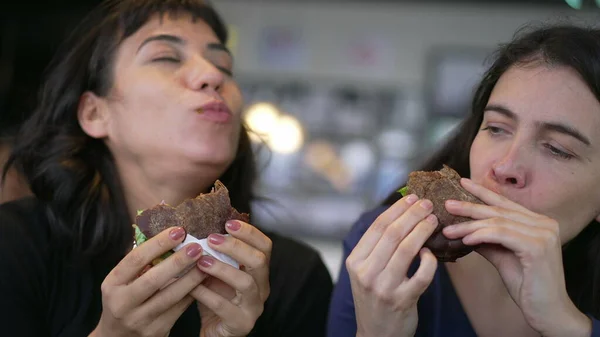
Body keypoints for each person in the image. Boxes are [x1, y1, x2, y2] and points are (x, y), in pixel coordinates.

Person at [0, 0, 333, 336]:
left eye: (224, 65)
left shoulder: (294, 276)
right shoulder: (16, 246)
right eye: (166, 57)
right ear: (94, 114)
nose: (213, 75)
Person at [327, 24, 600, 337]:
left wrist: (566, 325)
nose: (505, 166)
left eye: (556, 148)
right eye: (496, 128)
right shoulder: (385, 250)